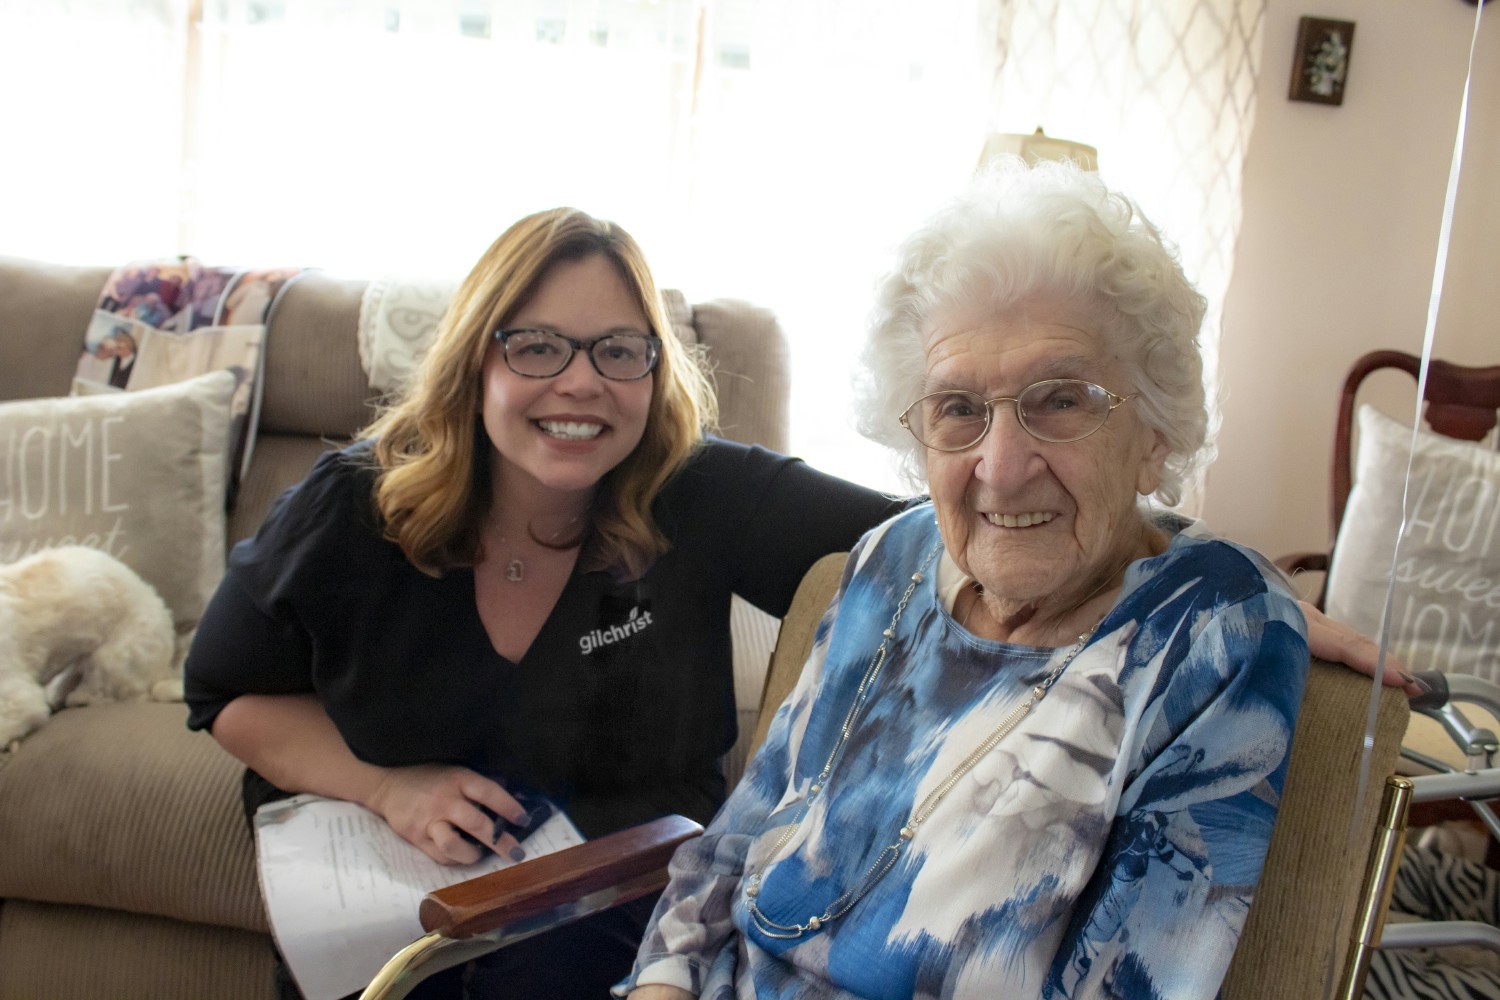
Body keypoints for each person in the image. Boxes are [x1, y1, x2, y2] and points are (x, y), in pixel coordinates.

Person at [619, 160, 1356, 1000]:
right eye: (958, 408)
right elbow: (734, 844)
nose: (1001, 470)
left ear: (1155, 427)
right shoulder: (891, 560)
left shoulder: (1209, 638)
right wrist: (662, 987)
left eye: (1062, 400)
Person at [181, 208, 908, 999]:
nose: (582, 381)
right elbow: (226, 689)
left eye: (620, 351)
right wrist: (390, 788)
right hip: (393, 910)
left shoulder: (703, 494)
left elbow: (930, 541)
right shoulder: (355, 506)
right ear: (475, 363)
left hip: (612, 906)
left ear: (654, 372)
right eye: (536, 345)